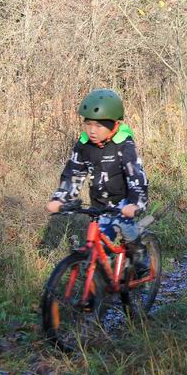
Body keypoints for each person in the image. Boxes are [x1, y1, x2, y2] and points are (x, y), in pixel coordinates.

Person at [46, 88, 150, 273]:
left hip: (124, 200)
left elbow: (136, 176)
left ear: (115, 125)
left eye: (99, 126)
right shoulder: (84, 145)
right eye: (88, 124)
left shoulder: (123, 144)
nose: (92, 131)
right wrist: (61, 198)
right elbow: (74, 173)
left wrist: (136, 203)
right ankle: (102, 286)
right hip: (100, 202)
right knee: (98, 251)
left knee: (124, 226)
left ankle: (139, 253)